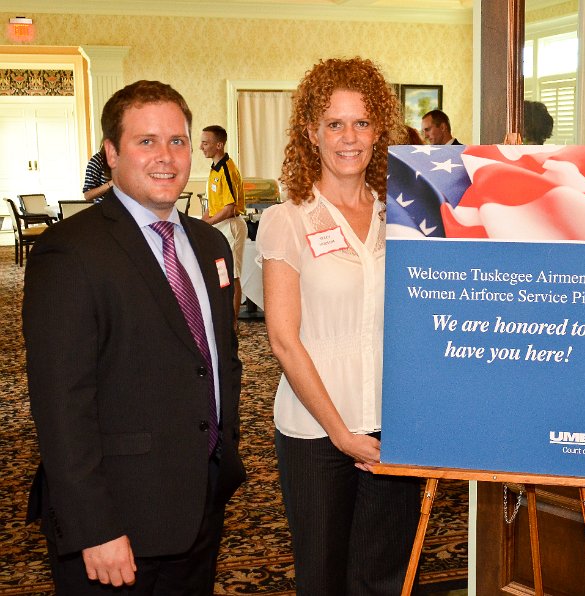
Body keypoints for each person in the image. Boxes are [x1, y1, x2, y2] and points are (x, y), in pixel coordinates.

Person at [23, 80, 246, 594]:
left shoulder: (209, 243)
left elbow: (220, 358)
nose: (166, 156)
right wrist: (94, 526)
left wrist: (223, 456)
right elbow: (60, 403)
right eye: (146, 141)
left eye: (177, 141)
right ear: (112, 153)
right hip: (117, 521)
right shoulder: (70, 251)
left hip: (200, 503)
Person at [256, 57, 420, 595]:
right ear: (311, 133)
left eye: (362, 122)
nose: (349, 137)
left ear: (378, 131)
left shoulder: (403, 216)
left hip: (394, 426)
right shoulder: (288, 219)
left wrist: (508, 160)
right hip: (317, 430)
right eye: (334, 124)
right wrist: (341, 432)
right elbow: (283, 340)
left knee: (385, 576)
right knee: (323, 579)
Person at [200, 125, 248, 324]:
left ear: (219, 145)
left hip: (230, 225)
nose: (201, 147)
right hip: (219, 225)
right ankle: (223, 318)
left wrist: (208, 224)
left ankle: (233, 323)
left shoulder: (227, 169)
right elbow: (213, 206)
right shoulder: (215, 169)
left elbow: (229, 208)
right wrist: (201, 223)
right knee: (221, 274)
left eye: (205, 143)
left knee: (232, 275)